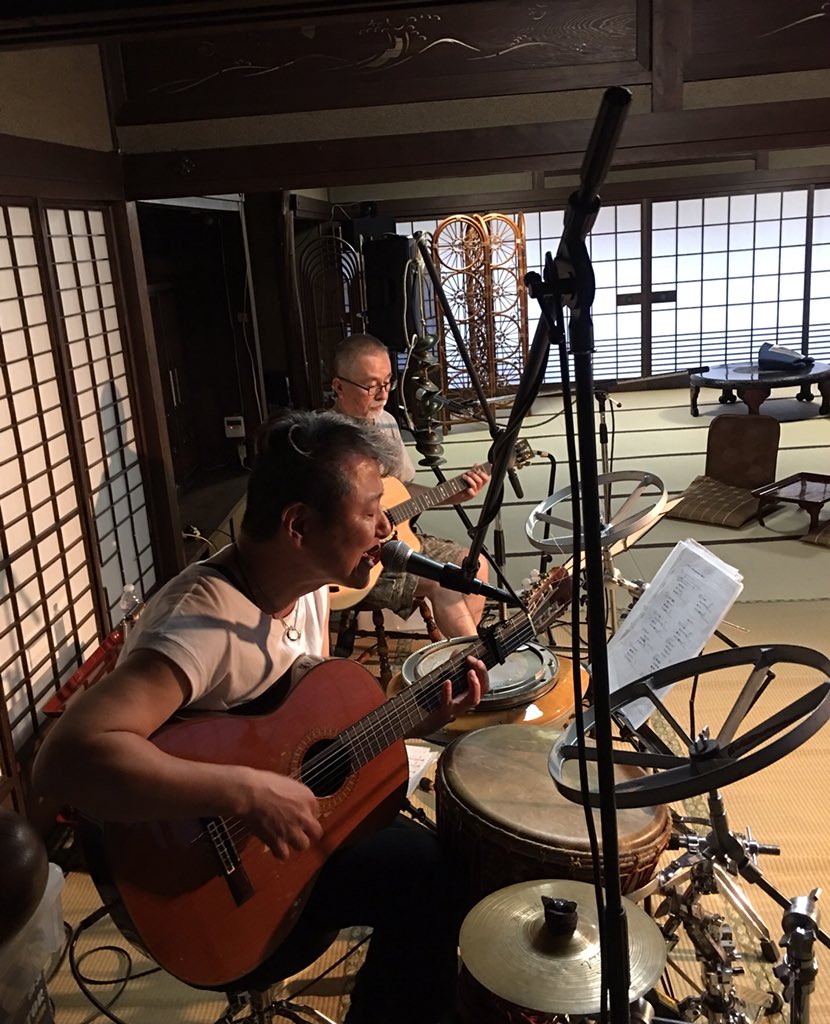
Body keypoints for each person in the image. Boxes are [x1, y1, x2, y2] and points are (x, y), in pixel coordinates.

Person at [33, 410, 488, 1024]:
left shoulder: (308, 585)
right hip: (221, 893)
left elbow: (300, 734)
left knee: (440, 866)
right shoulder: (197, 625)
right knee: (430, 880)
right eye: (371, 511)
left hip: (286, 854)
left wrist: (414, 721)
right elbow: (62, 762)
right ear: (299, 526)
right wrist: (245, 792)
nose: (387, 528)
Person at [331, 333, 491, 638]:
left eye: (387, 382)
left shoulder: (387, 422)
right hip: (352, 560)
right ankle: (469, 660)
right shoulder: (324, 437)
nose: (382, 394)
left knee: (474, 566)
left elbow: (402, 491)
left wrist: (452, 495)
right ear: (339, 386)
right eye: (371, 385)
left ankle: (458, 658)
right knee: (446, 583)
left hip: (395, 543)